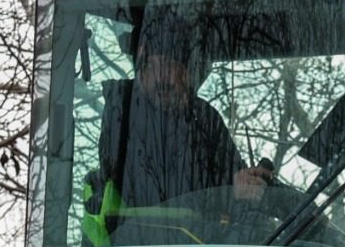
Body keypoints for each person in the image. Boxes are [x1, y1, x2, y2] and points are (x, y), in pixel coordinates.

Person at [87, 42, 272, 235]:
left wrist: (246, 185)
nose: (162, 77)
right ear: (141, 74)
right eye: (151, 66)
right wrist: (228, 195)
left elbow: (230, 178)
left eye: (170, 65)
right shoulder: (123, 117)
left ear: (185, 72)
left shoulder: (204, 119)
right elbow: (151, 191)